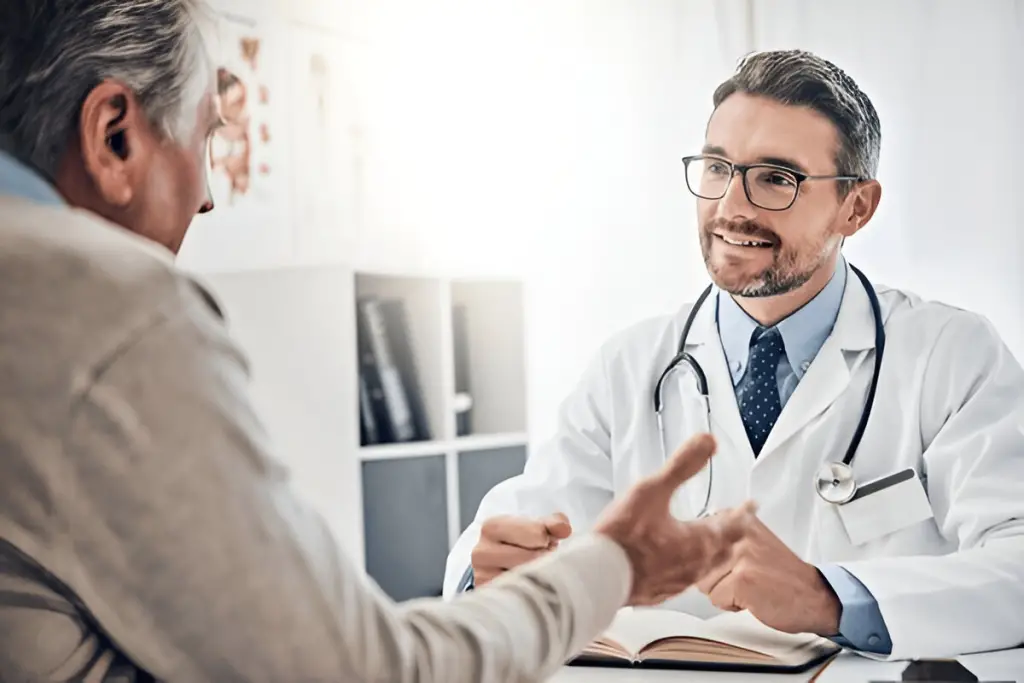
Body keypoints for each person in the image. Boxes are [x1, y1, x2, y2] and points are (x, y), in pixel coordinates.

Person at [0, 1, 759, 681]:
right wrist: (612, 565)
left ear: (859, 206)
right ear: (113, 135)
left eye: (776, 177)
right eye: (205, 137)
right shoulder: (108, 306)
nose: (206, 194)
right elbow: (359, 669)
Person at [446, 49, 1024, 661]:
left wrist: (830, 598)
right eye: (718, 168)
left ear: (856, 206)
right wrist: (488, 572)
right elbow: (515, 528)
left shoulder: (951, 356)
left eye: (776, 178)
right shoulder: (631, 365)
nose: (731, 208)